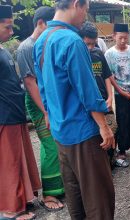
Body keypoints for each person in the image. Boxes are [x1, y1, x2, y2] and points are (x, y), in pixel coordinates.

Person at [33, 0, 115, 219]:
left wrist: (49, 114)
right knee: (99, 194)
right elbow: (87, 91)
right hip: (83, 132)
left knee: (74, 191)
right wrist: (103, 126)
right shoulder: (71, 41)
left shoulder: (41, 41)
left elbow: (43, 86)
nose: (85, 16)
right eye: (86, 10)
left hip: (60, 130)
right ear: (76, 4)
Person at [16, 6, 65, 212]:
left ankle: (60, 185)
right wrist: (45, 111)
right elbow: (30, 83)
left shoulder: (45, 43)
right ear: (41, 24)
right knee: (49, 145)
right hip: (37, 103)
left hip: (48, 102)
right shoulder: (27, 47)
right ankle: (49, 193)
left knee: (57, 142)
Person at [0, 5, 41, 220]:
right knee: (9, 163)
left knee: (20, 159)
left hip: (15, 113)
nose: (11, 31)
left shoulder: (3, 49)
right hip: (4, 115)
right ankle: (10, 210)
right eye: (7, 27)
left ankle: (21, 200)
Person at [105, 23, 130, 166]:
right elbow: (109, 75)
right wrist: (120, 91)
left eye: (126, 38)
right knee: (123, 120)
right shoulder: (109, 54)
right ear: (114, 36)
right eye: (120, 38)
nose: (123, 41)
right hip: (120, 92)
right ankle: (122, 148)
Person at [79, 21, 117, 169]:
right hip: (89, 103)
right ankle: (97, 165)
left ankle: (110, 162)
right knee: (95, 134)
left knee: (112, 128)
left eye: (93, 44)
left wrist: (110, 97)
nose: (90, 47)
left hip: (104, 100)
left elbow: (107, 76)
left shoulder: (98, 53)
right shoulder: (78, 57)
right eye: (87, 43)